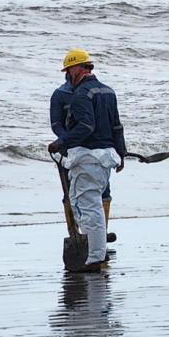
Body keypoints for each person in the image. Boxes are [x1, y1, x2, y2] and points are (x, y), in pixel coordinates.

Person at [48, 49, 127, 272]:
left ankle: (94, 256)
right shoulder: (108, 91)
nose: (67, 75)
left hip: (88, 157)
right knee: (88, 205)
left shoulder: (81, 95)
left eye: (68, 70)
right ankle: (96, 248)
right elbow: (116, 126)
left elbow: (86, 127)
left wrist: (61, 141)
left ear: (78, 68)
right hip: (105, 157)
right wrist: (120, 153)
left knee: (89, 208)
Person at [50, 75, 114, 245]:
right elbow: (56, 124)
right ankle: (75, 234)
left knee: (104, 193)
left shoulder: (93, 93)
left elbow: (106, 122)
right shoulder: (60, 95)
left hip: (96, 152)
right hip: (71, 152)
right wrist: (68, 141)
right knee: (70, 192)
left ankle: (100, 234)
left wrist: (117, 147)